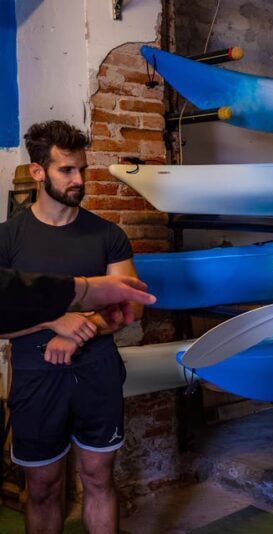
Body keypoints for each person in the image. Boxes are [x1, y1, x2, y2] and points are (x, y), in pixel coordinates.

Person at [0, 121, 144, 534]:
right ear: (38, 172)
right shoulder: (8, 239)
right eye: (66, 170)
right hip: (35, 376)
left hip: (97, 372)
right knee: (43, 487)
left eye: (82, 169)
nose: (79, 179)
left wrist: (77, 330)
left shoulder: (108, 235)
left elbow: (130, 303)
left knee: (99, 478)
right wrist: (52, 321)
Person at [0, 269, 156, 334]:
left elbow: (132, 305)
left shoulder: (111, 233)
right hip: (32, 370)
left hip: (98, 364)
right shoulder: (7, 234)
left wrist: (82, 330)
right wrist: (52, 322)